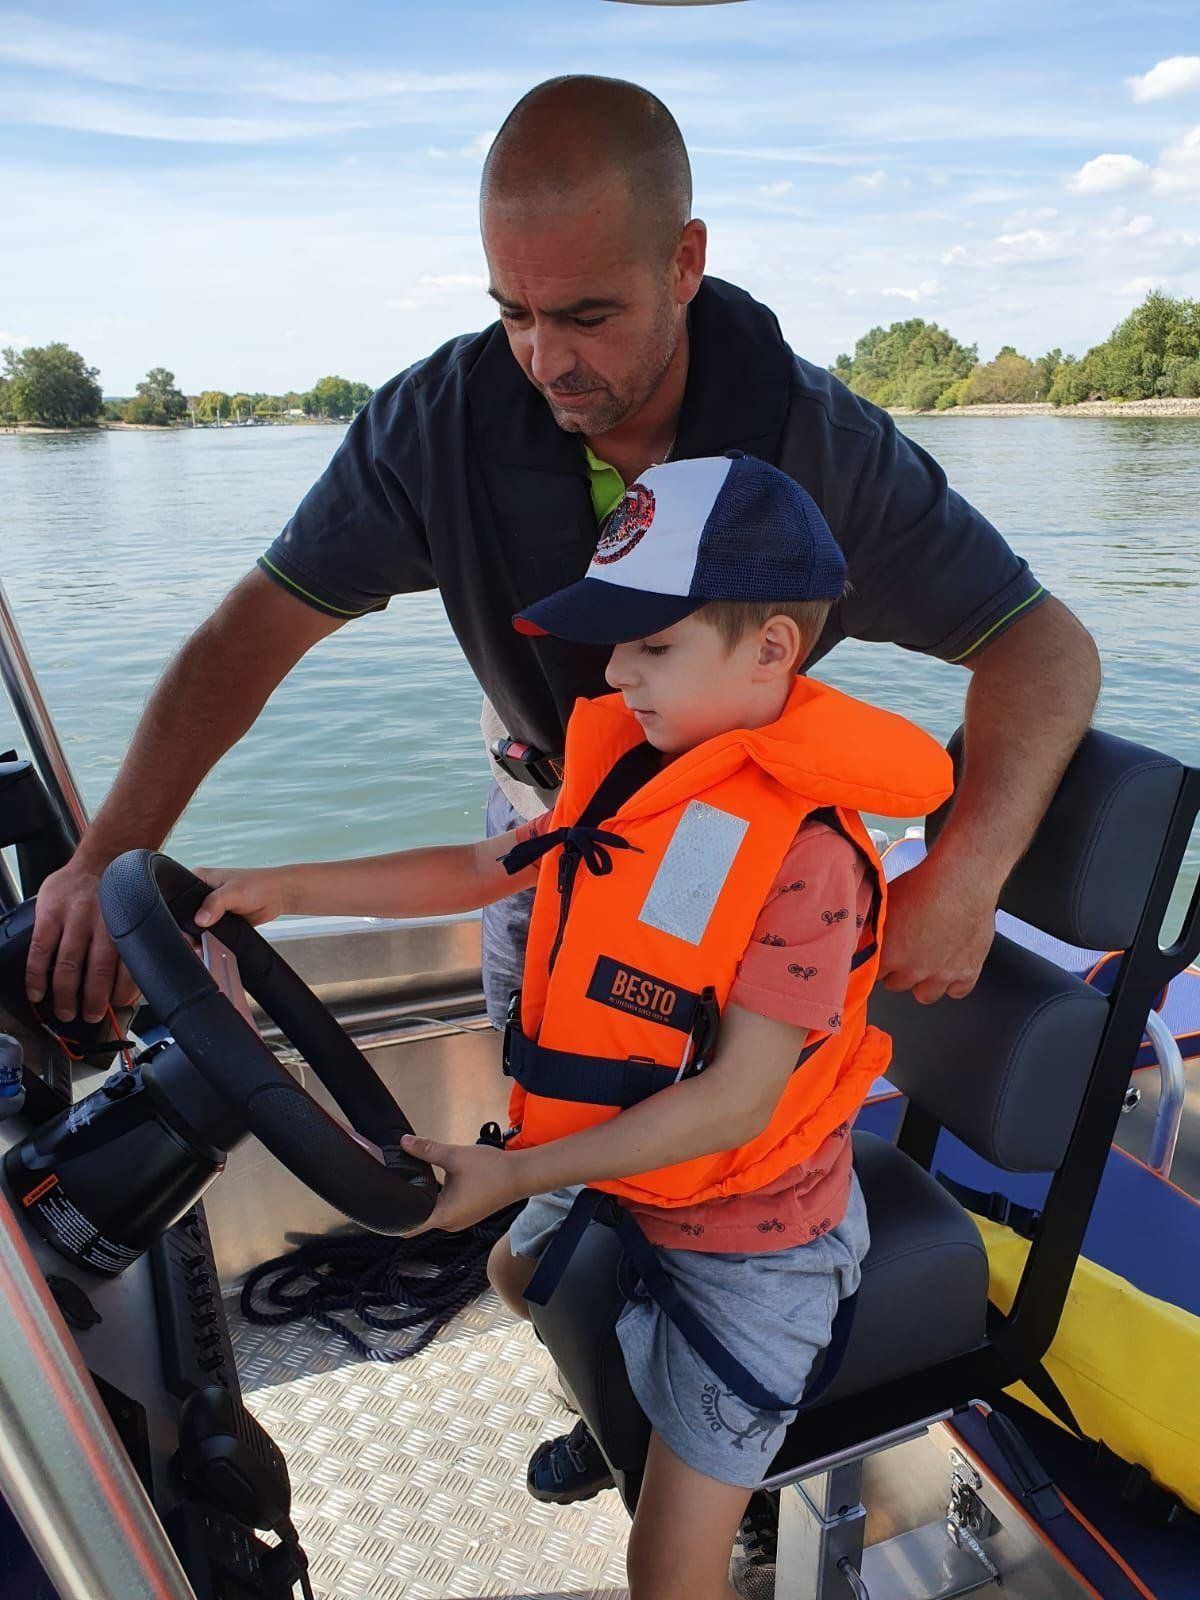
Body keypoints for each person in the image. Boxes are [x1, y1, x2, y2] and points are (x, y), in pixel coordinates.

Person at [28, 75, 1098, 1058]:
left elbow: (1041, 646)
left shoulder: (827, 449)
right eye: (514, 313)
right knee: (538, 1072)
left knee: (703, 1125)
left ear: (684, 262)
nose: (546, 361)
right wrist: (101, 861)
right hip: (540, 809)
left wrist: (964, 872)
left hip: (733, 852)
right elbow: (248, 636)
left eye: (588, 316)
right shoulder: (434, 425)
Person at [191, 455, 956, 1600]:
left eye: (652, 646)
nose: (611, 671)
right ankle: (615, 1428)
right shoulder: (638, 778)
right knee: (512, 1274)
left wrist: (519, 1169)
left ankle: (692, 1489)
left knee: (667, 1563)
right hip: (621, 1166)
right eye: (616, 641)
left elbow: (741, 1098)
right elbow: (485, 862)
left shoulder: (808, 856)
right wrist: (281, 889)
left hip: (754, 1232)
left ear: (772, 651)